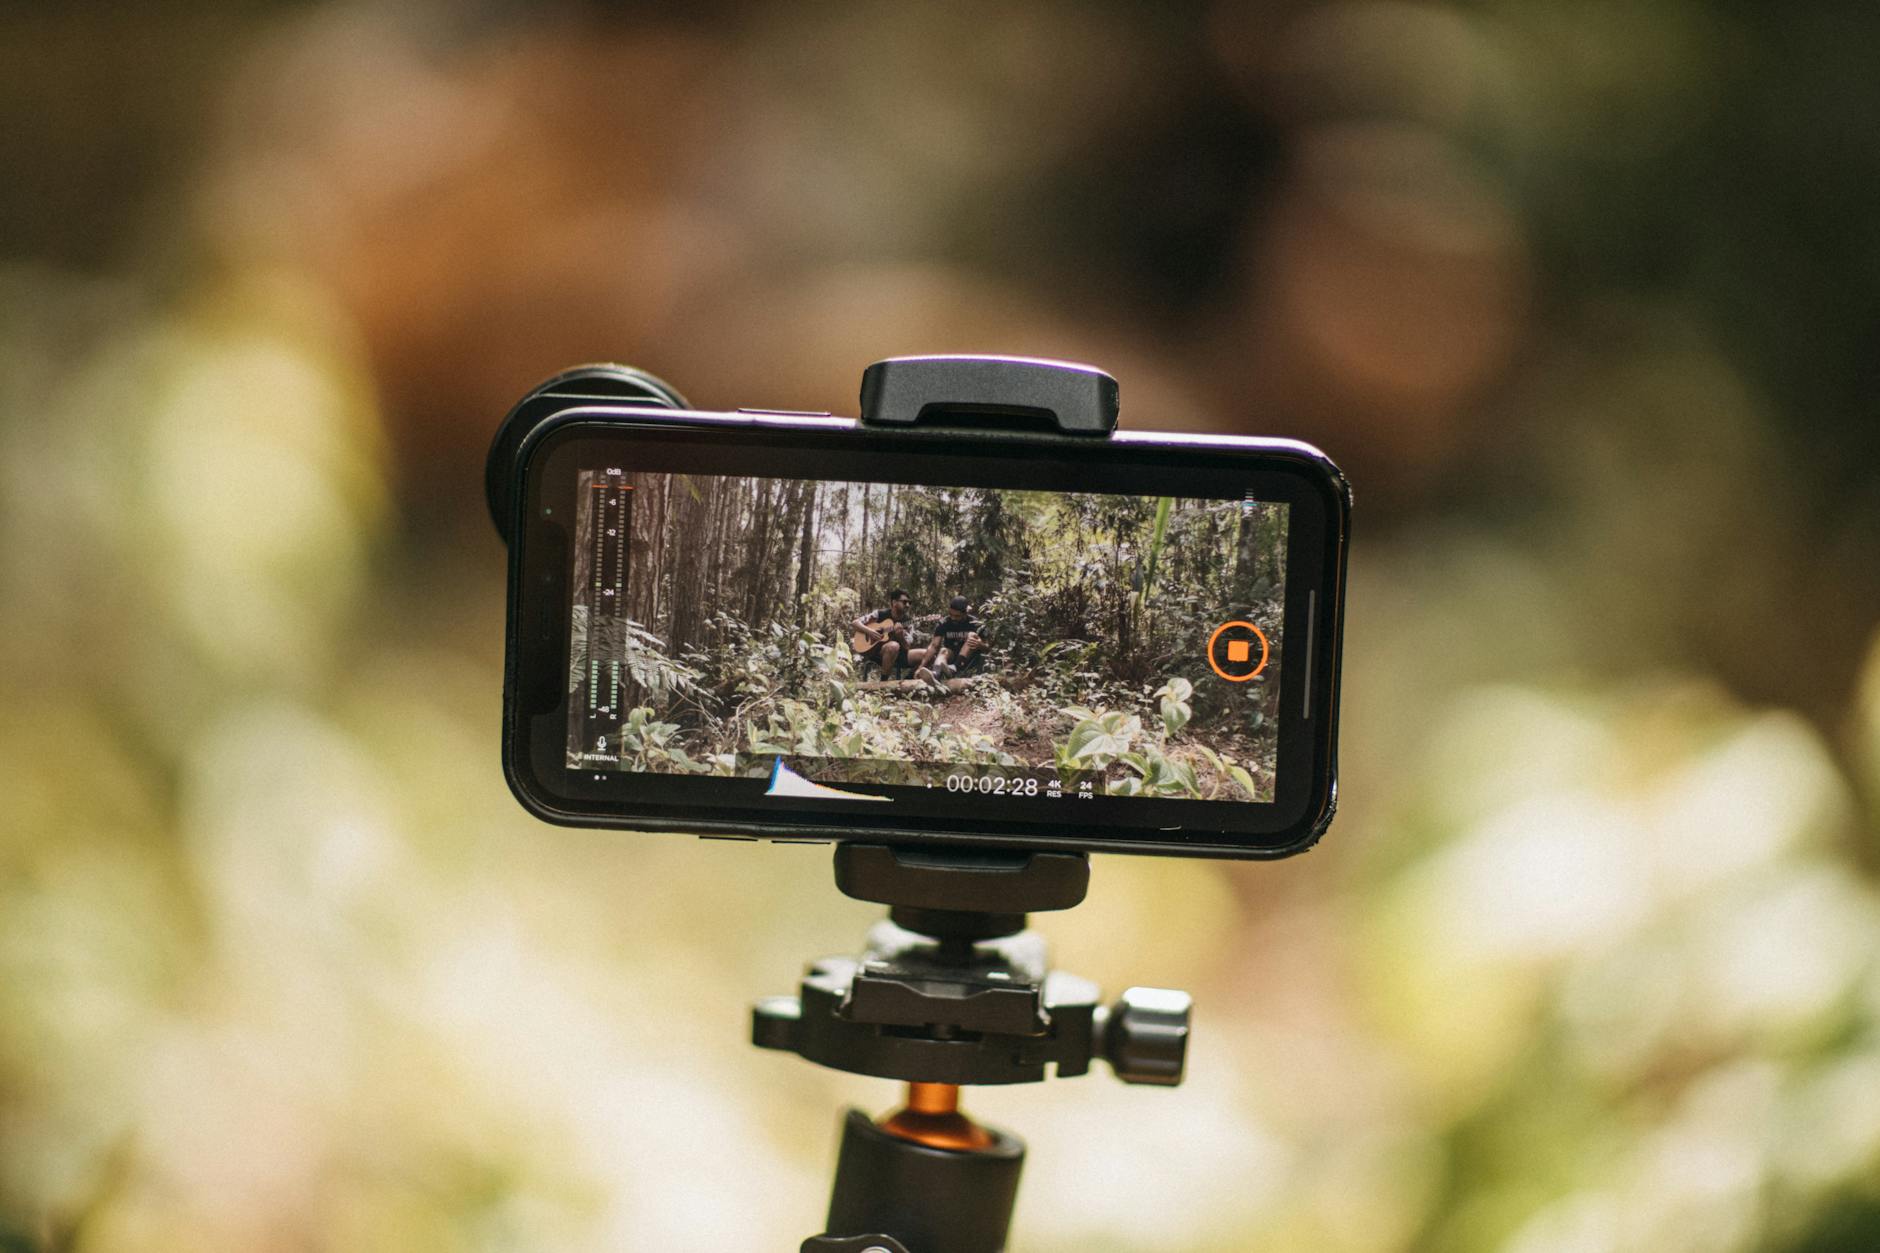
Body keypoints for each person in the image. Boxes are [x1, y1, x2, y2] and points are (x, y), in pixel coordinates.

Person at [916, 596, 987, 688]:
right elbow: (934, 646)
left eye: (957, 616)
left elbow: (988, 647)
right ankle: (935, 674)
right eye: (951, 614)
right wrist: (921, 667)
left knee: (972, 636)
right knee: (943, 650)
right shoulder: (944, 622)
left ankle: (954, 668)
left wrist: (980, 645)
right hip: (951, 657)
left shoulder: (976, 623)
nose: (953, 618)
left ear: (965, 613)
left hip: (969, 659)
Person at [852, 590, 914, 675]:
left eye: (909, 603)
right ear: (894, 602)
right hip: (875, 651)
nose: (907, 605)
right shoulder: (880, 614)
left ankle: (909, 680)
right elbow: (855, 623)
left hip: (899, 655)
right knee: (893, 646)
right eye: (904, 602)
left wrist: (900, 637)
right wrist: (870, 632)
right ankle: (883, 682)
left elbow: (907, 647)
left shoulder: (908, 622)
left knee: (926, 655)